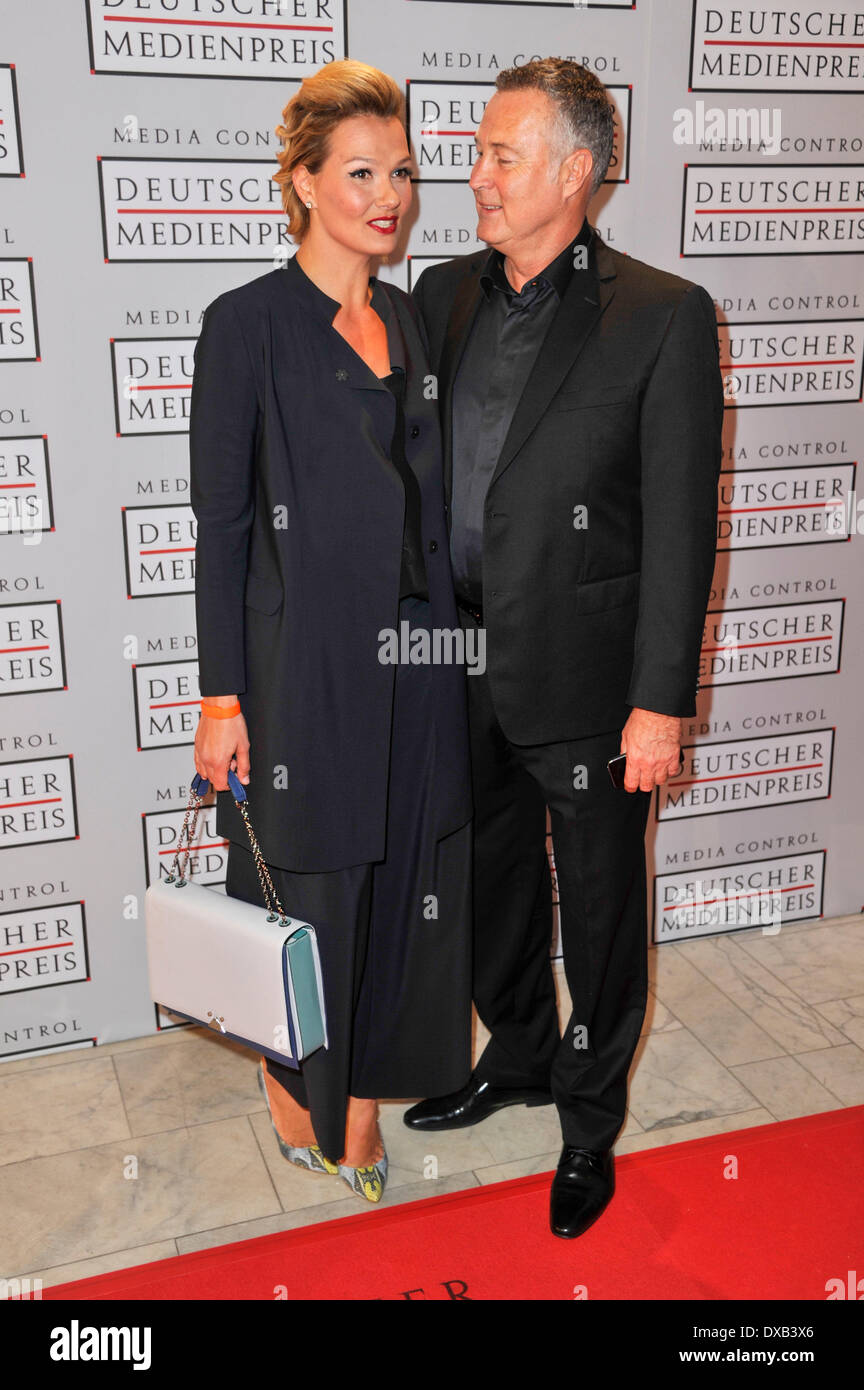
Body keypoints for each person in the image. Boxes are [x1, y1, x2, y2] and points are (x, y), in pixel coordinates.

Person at [404, 59, 724, 1238]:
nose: (475, 175)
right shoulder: (439, 294)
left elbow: (683, 527)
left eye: (502, 155)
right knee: (487, 886)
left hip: (592, 684)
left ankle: (587, 1122)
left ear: (576, 174)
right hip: (455, 666)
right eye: (479, 151)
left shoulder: (661, 314)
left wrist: (659, 703)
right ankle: (520, 1057)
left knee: (594, 910)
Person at [189, 59, 473, 1204]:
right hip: (300, 669)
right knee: (314, 888)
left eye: (401, 171)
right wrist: (221, 699)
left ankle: (359, 1093)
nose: (389, 194)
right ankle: (302, 1076)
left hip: (419, 661)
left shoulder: (413, 317)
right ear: (302, 182)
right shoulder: (244, 325)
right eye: (359, 172)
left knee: (409, 873)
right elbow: (221, 529)